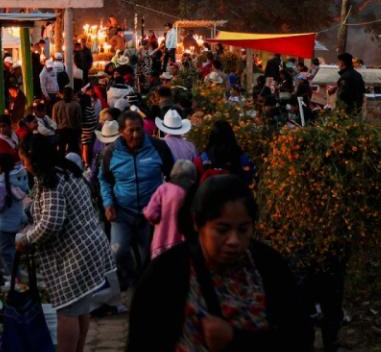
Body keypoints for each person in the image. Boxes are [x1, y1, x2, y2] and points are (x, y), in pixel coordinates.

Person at [128, 175, 312, 352]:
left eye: (243, 229)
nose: (234, 240)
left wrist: (235, 339)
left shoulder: (269, 266)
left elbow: (299, 338)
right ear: (197, 223)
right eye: (222, 229)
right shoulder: (165, 274)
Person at [16, 135, 115, 352]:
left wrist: (27, 239)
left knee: (67, 311)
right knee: (80, 308)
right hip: (89, 246)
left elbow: (52, 222)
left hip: (76, 253)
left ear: (35, 159)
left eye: (24, 160)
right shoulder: (66, 171)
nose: (24, 166)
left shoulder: (52, 180)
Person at [98, 111, 173, 289]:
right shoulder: (111, 152)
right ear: (122, 132)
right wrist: (108, 204)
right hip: (122, 212)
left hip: (151, 213)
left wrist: (167, 202)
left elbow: (173, 175)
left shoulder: (158, 147)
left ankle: (146, 287)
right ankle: (131, 281)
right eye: (131, 130)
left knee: (150, 253)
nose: (136, 135)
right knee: (118, 251)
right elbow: (105, 180)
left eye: (139, 130)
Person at [143, 160, 197, 258]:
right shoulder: (190, 193)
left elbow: (151, 213)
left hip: (161, 243)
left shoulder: (163, 189)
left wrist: (146, 211)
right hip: (181, 243)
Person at [0, 153, 28, 276]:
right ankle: (15, 272)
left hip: (6, 224)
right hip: (17, 220)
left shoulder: (2, 184)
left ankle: (10, 276)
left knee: (3, 250)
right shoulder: (18, 179)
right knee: (11, 249)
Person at [194, 120, 257, 186]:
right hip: (235, 193)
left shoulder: (202, 159)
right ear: (231, 135)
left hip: (210, 193)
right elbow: (250, 175)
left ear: (212, 136)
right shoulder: (241, 156)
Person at [52, 87, 82, 155]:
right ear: (71, 94)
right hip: (72, 131)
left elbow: (54, 120)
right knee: (72, 151)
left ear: (63, 94)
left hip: (60, 131)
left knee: (61, 150)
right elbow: (79, 120)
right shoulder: (76, 105)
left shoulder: (56, 105)